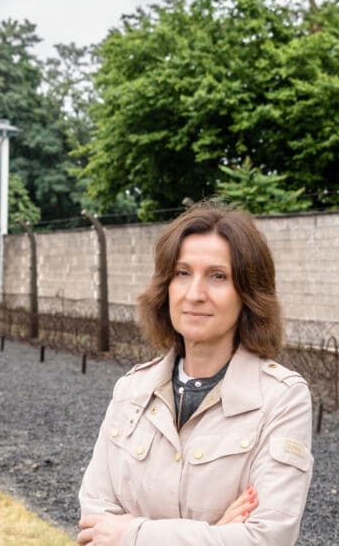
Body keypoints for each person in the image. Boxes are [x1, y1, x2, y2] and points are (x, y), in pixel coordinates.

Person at [78, 202, 314, 545]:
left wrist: (133, 534)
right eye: (182, 273)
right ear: (166, 287)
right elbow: (93, 526)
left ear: (248, 294)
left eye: (218, 276)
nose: (195, 294)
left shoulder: (281, 399)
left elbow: (265, 538)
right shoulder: (131, 390)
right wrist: (217, 533)